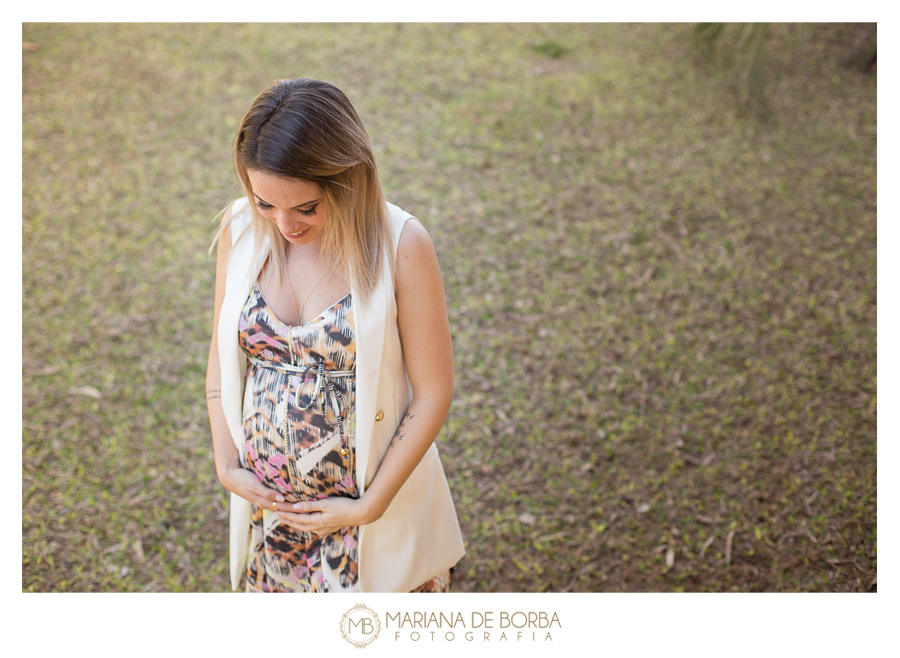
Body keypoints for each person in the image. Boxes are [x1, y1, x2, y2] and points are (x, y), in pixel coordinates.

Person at [205, 78, 465, 592]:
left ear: (348, 179)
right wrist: (225, 460)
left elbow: (434, 392)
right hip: (273, 520)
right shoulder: (240, 230)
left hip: (369, 521)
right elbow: (221, 351)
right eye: (265, 203)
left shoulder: (401, 245)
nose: (285, 225)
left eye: (306, 207)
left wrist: (370, 505)